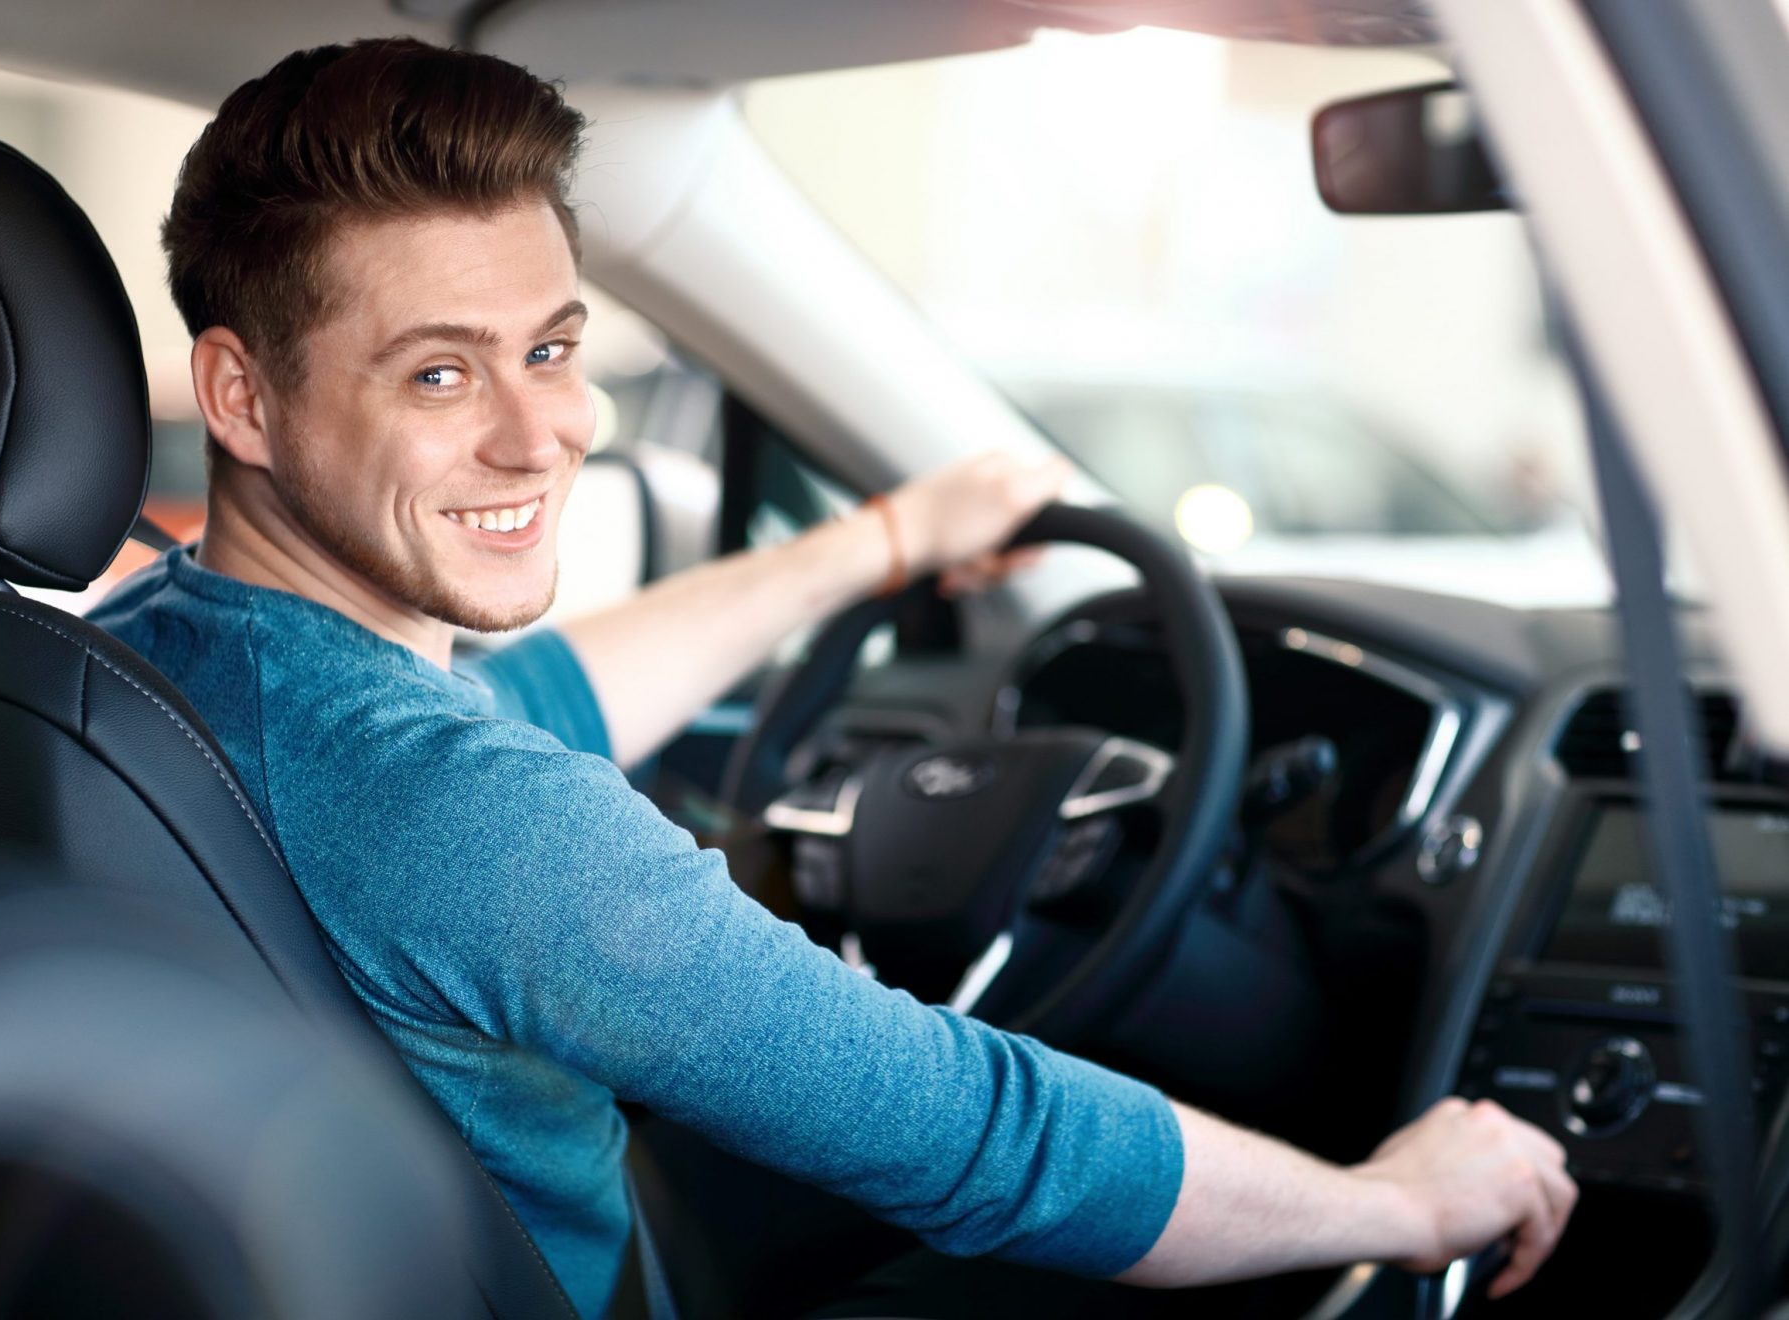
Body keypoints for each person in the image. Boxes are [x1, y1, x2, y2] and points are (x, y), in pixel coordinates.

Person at [91, 37, 1576, 1319]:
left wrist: (878, 542)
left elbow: (527, 705)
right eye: (438, 373)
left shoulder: (134, 656)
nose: (541, 433)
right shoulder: (479, 825)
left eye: (550, 348)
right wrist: (1395, 1201)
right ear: (239, 395)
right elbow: (980, 1137)